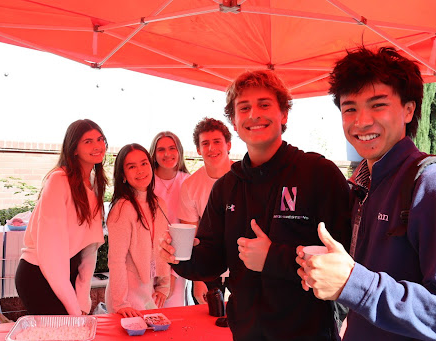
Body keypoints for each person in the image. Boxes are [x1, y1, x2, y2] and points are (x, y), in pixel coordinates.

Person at [296, 46, 436, 340]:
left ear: (408, 110)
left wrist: (353, 284)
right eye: (350, 108)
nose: (361, 121)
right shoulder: (363, 185)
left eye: (378, 104)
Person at [161, 70, 351, 340]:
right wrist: (180, 257)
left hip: (308, 332)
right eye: (244, 108)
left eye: (264, 104)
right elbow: (212, 261)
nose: (254, 114)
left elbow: (343, 262)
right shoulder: (226, 187)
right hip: (246, 332)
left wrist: (272, 257)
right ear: (235, 123)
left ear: (283, 114)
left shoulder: (319, 174)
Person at [15, 119, 107, 315]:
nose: (97, 145)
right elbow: (51, 255)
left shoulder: (94, 185)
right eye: (88, 141)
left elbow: (89, 249)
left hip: (67, 274)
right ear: (73, 149)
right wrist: (74, 308)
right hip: (39, 274)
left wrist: (83, 299)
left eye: (100, 139)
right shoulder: (59, 180)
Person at [105, 143, 170, 317]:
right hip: (126, 299)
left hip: (148, 295)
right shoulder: (122, 208)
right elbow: (116, 260)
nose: (140, 170)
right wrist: (120, 303)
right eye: (131, 167)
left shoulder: (159, 204)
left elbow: (162, 247)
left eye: (144, 163)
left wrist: (163, 286)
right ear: (123, 175)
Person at [178, 117, 233, 304]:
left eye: (217, 142)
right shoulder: (190, 186)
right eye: (205, 143)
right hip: (210, 268)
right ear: (199, 149)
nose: (211, 148)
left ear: (229, 145)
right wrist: (198, 279)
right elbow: (191, 238)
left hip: (244, 264)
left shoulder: (246, 178)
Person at [149, 131, 190, 307]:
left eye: (172, 148)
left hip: (176, 263)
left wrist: (173, 275)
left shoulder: (188, 182)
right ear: (154, 153)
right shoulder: (146, 181)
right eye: (161, 149)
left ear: (179, 151)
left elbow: (188, 232)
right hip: (147, 261)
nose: (167, 154)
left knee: (172, 316)